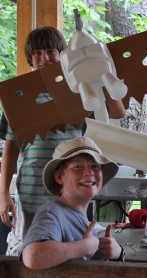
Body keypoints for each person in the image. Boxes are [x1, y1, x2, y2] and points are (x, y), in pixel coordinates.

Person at [0, 26, 125, 256]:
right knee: (28, 251)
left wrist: (100, 69)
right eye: (37, 52)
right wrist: (3, 194)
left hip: (70, 187)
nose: (44, 58)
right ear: (30, 58)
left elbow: (118, 111)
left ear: (63, 54)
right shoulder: (18, 95)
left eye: (50, 51)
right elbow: (11, 146)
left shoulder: (79, 89)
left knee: (71, 249)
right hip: (31, 189)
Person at [20, 136, 123, 269]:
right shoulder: (52, 212)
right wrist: (84, 247)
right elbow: (33, 256)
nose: (89, 172)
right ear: (59, 177)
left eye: (94, 166)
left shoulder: (81, 217)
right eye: (77, 166)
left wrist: (117, 253)